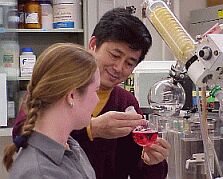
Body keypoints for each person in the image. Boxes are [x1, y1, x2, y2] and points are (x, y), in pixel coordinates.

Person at [12, 8, 171, 179]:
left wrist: (151, 162)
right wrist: (91, 130)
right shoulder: (56, 87)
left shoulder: (126, 103)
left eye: (129, 63)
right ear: (93, 45)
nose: (118, 68)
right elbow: (24, 134)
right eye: (115, 55)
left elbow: (134, 166)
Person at [3, 43, 101, 179]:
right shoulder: (40, 173)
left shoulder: (69, 146)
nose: (97, 100)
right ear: (71, 96)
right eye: (96, 90)